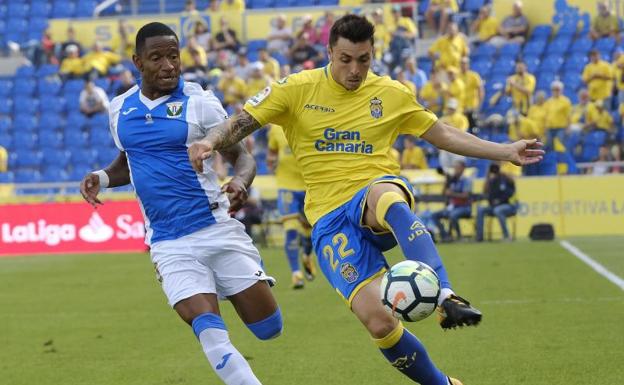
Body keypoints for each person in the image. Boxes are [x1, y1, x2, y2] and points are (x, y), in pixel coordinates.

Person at [188, 15, 543, 384]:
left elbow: (442, 133)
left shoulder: (390, 93)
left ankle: (445, 295)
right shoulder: (296, 88)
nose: (355, 70)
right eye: (346, 60)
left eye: (364, 60)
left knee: (385, 195)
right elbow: (241, 121)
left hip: (373, 190)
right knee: (379, 322)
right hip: (328, 218)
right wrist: (209, 142)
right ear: (329, 53)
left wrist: (504, 151)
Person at [79, 23, 281, 385]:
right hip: (169, 242)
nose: (169, 65)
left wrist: (240, 181)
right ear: (138, 61)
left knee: (270, 329)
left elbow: (244, 158)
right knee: (208, 329)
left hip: (216, 228)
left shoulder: (200, 104)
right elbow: (131, 159)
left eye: (174, 56)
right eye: (157, 57)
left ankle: (231, 277)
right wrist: (104, 178)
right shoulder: (119, 109)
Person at [267, 124, 316, 289]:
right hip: (286, 186)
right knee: (291, 228)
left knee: (309, 229)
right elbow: (272, 152)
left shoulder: (310, 121)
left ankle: (307, 255)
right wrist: (272, 162)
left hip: (309, 186)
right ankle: (296, 273)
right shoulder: (275, 129)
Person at [431, 160, 473, 242]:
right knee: (434, 215)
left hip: (464, 207)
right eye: (455, 168)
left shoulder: (466, 180)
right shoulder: (453, 180)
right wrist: (447, 181)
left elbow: (465, 196)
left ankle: (459, 236)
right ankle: (445, 236)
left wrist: (452, 194)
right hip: (453, 207)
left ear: (463, 169)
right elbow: (443, 193)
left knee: (453, 215)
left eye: (458, 168)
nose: (456, 170)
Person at [475, 163, 517, 242]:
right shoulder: (491, 181)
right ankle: (479, 237)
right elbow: (485, 192)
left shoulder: (505, 178)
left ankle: (507, 236)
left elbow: (510, 193)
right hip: (494, 206)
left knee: (498, 210)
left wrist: (499, 200)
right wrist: (487, 177)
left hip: (508, 205)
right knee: (480, 209)